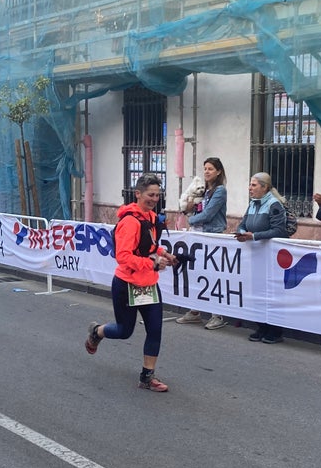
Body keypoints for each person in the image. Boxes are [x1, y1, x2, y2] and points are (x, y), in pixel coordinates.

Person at [84, 173, 178, 392]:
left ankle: (147, 377)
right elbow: (123, 257)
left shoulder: (152, 219)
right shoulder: (130, 222)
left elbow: (150, 247)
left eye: (158, 195)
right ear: (137, 194)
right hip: (127, 284)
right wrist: (152, 264)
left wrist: (165, 254)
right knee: (125, 331)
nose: (154, 199)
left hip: (149, 285)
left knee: (155, 330)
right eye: (150, 195)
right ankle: (97, 331)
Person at [175, 157, 229, 330]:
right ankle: (195, 310)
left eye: (211, 169)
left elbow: (208, 214)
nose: (206, 172)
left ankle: (217, 314)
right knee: (196, 272)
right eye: (205, 168)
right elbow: (195, 208)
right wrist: (189, 208)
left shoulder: (220, 191)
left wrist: (190, 220)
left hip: (212, 235)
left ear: (219, 172)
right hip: (198, 236)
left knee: (212, 275)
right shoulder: (204, 190)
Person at [235, 172, 289, 343]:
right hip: (256, 256)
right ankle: (261, 326)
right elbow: (243, 224)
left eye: (254, 185)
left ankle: (275, 330)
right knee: (257, 290)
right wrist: (242, 233)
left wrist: (254, 236)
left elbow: (279, 230)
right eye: (250, 185)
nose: (250, 188)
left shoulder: (274, 205)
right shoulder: (252, 204)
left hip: (271, 257)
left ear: (264, 187)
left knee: (271, 292)